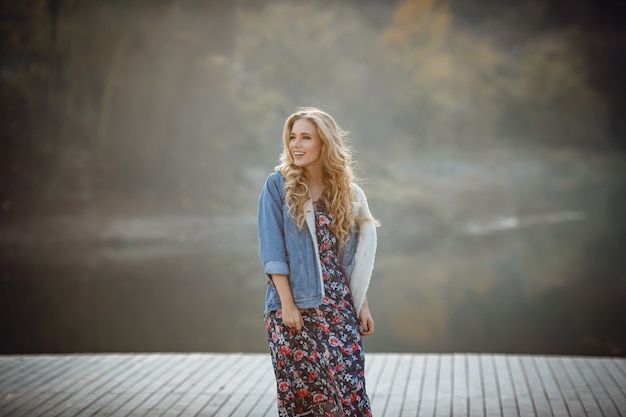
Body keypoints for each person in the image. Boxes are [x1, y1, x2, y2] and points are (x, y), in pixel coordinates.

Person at [257, 107, 378, 416]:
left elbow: (350, 258)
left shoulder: (346, 192)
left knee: (349, 394)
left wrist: (361, 304)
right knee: (303, 402)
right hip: (292, 307)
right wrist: (287, 304)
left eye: (305, 137)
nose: (296, 144)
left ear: (324, 143)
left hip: (338, 308)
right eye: (292, 137)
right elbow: (273, 252)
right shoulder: (277, 186)